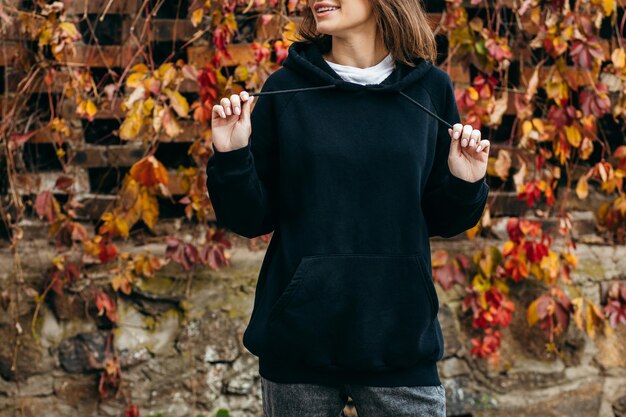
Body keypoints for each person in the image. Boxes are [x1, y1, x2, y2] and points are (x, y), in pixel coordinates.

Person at [206, 0, 490, 415]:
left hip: (399, 338)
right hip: (300, 340)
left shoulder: (431, 89)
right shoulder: (285, 89)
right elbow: (249, 219)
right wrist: (232, 157)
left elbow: (445, 219)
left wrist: (467, 182)